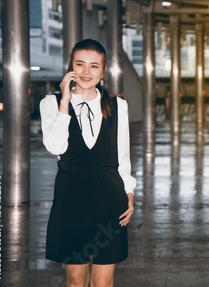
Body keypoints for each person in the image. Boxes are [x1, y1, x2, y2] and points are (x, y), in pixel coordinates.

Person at [40, 39, 136, 287]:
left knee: (104, 282)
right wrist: (64, 102)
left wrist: (129, 193)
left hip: (109, 198)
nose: (86, 72)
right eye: (79, 64)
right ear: (70, 67)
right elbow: (55, 147)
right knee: (75, 280)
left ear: (103, 71)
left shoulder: (118, 106)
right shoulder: (51, 103)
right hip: (71, 198)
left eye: (94, 66)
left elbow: (122, 157)